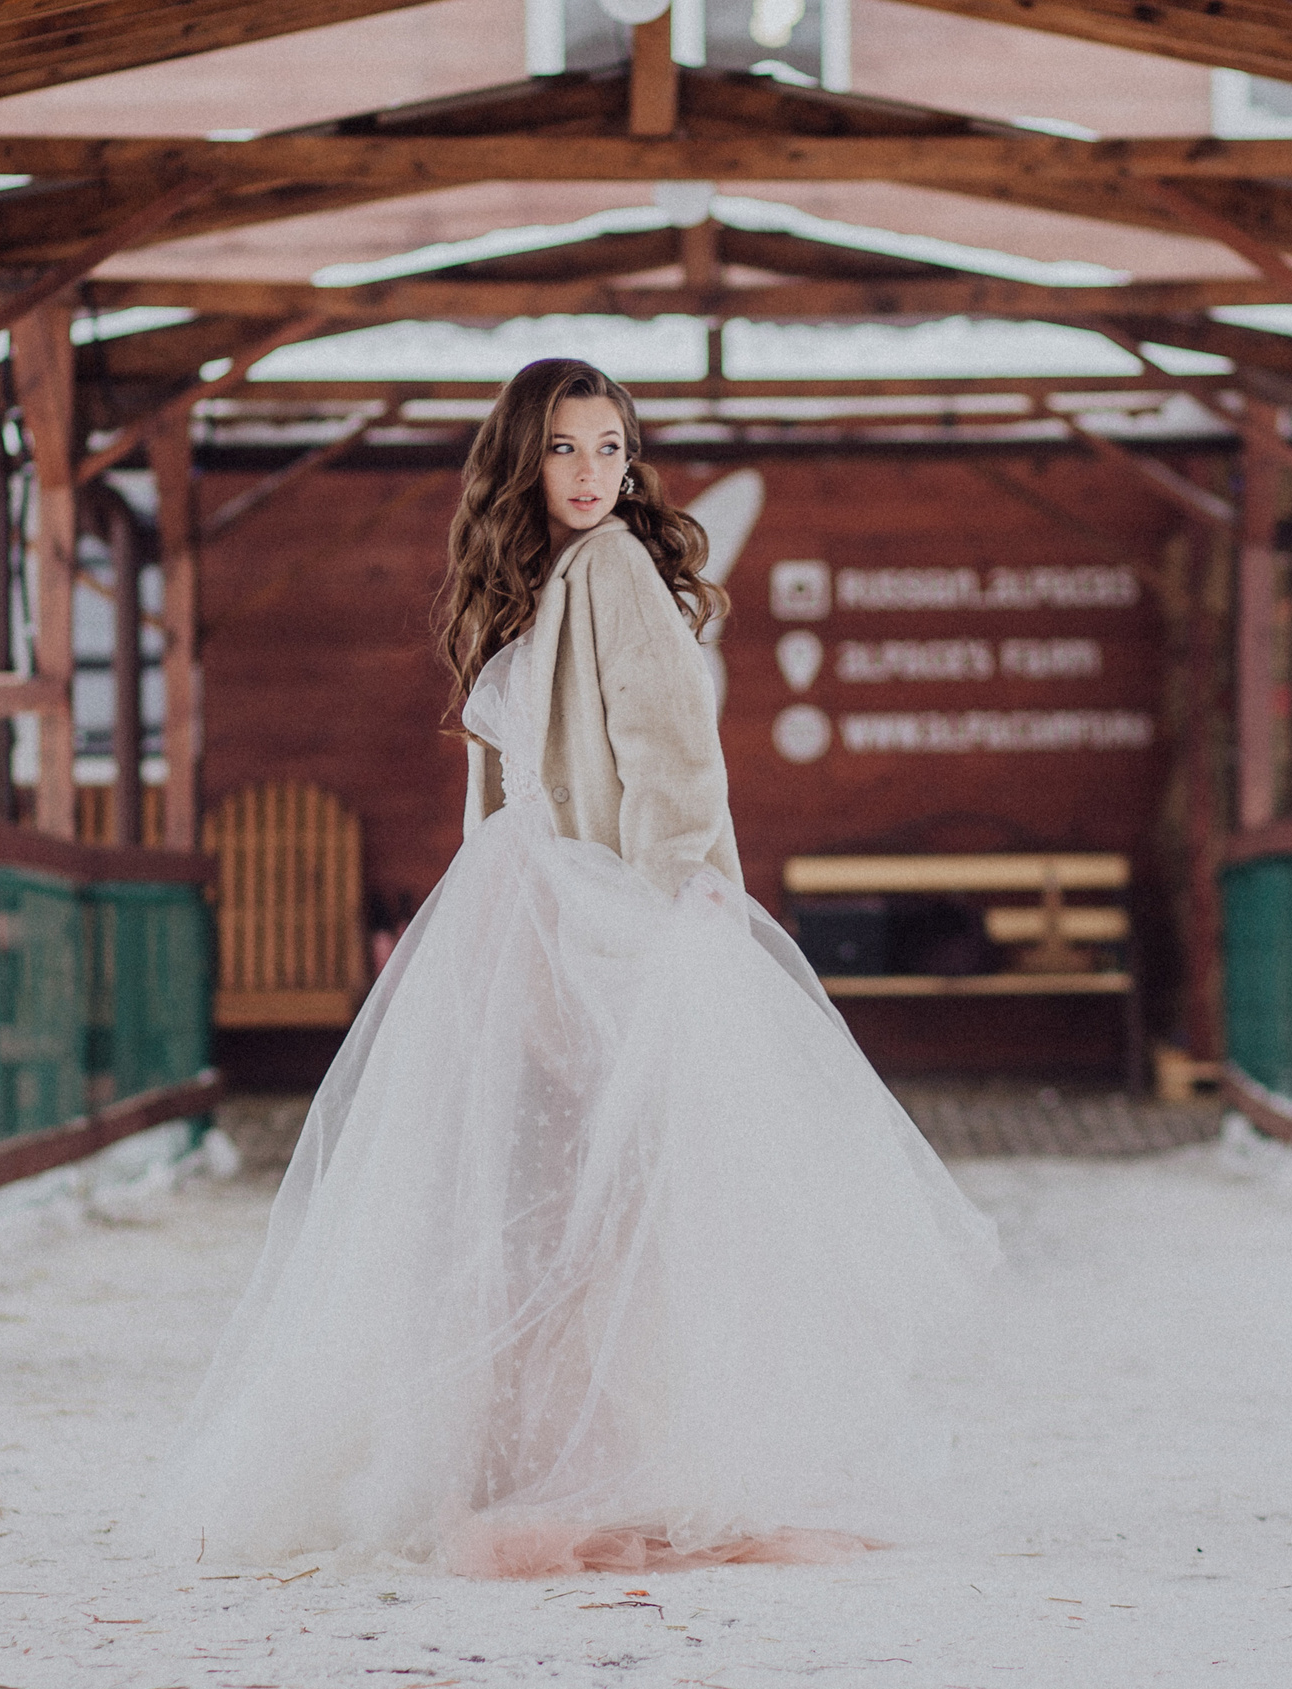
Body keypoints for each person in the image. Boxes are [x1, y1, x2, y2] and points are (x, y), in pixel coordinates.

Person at [161, 358, 999, 1579]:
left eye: (611, 448)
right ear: (521, 461)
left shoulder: (614, 572)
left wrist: (670, 899)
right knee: (522, 1197)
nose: (593, 473)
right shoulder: (530, 583)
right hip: (523, 920)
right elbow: (501, 785)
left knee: (596, 1206)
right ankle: (521, 1453)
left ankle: (606, 1456)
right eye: (565, 449)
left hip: (608, 922)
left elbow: (672, 745)